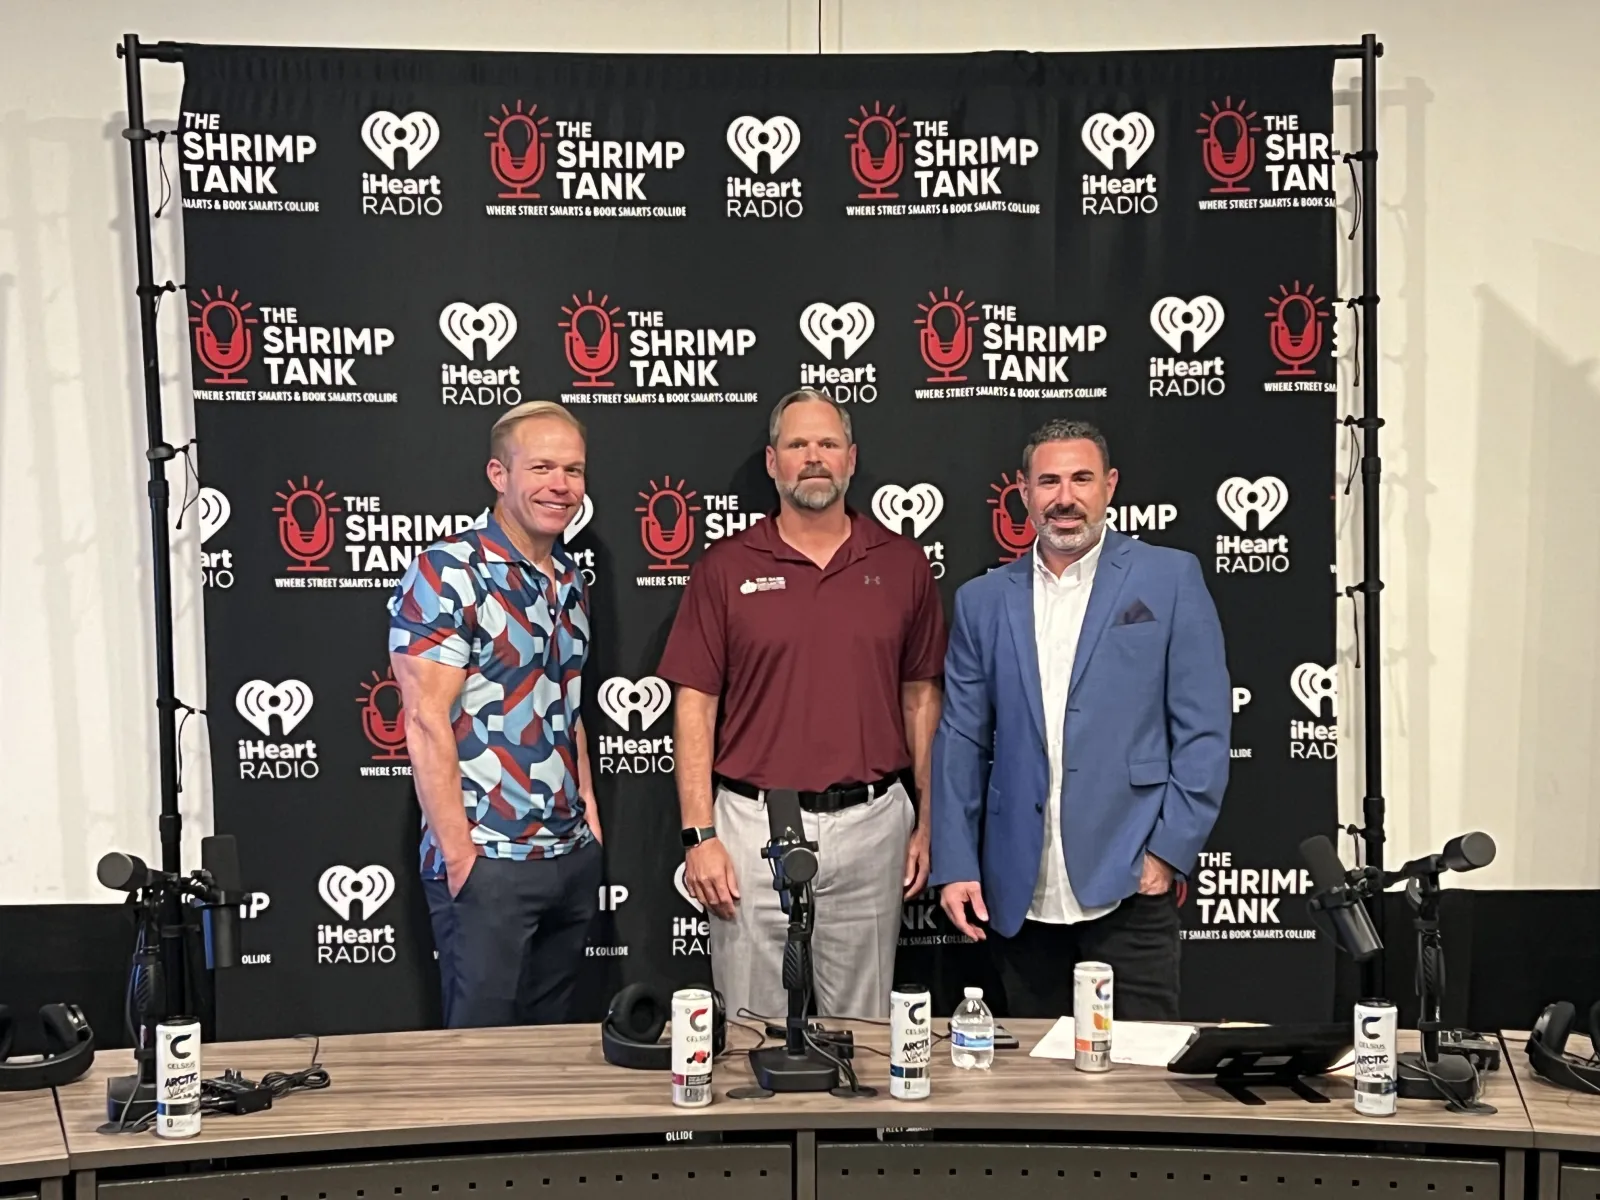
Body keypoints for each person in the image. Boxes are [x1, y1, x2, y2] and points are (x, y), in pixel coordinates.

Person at [658, 388, 946, 1020]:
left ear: (850, 459)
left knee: (863, 1037)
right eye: (797, 445)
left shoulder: (901, 563)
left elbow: (921, 696)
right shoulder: (725, 567)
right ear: (772, 462)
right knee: (751, 1034)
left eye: (827, 444)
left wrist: (927, 820)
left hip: (872, 826)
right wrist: (699, 834)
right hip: (750, 826)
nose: (813, 457)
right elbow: (694, 707)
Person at [930, 418, 1229, 1020]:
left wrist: (1166, 855)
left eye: (1081, 479)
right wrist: (956, 863)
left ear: (1110, 485)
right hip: (1018, 894)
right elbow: (960, 739)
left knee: (1140, 1095)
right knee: (1036, 1099)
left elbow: (1204, 730)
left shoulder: (1170, 579)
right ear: (1024, 491)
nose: (1065, 497)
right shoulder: (982, 600)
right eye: (1048, 481)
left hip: (1130, 883)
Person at [388, 402, 603, 1028]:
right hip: (490, 860)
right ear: (498, 474)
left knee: (554, 1052)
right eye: (540, 467)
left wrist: (589, 814)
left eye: (573, 470)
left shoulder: (568, 577)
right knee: (480, 1062)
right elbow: (425, 718)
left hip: (568, 853)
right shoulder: (448, 570)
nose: (559, 485)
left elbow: (568, 698)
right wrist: (462, 857)